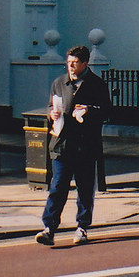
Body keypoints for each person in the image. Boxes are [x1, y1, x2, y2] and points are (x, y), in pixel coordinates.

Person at [35, 45, 111, 247]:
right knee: (57, 187)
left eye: (74, 63)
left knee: (85, 189)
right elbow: (52, 106)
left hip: (86, 146)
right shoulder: (59, 83)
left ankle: (82, 227)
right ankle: (49, 228)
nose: (70, 66)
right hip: (62, 144)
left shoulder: (97, 85)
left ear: (85, 63)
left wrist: (89, 110)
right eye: (68, 62)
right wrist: (51, 113)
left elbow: (107, 111)